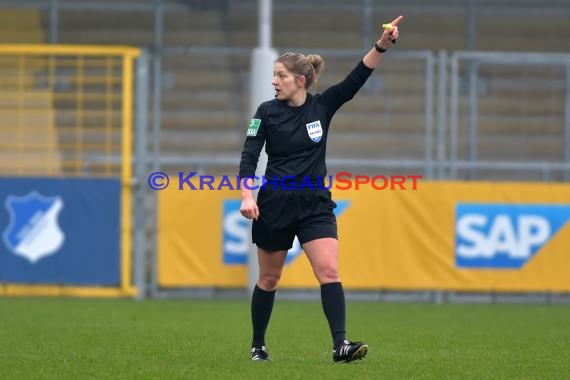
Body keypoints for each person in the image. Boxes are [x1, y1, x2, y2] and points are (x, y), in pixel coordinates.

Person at [238, 16, 403, 363]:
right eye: (273, 75)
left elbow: (356, 79)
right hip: (275, 204)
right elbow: (249, 156)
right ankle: (257, 345)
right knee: (269, 279)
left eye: (280, 75)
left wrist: (382, 45)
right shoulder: (265, 112)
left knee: (328, 271)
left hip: (315, 205)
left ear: (300, 80)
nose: (273, 81)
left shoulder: (321, 106)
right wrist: (247, 195)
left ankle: (340, 346)